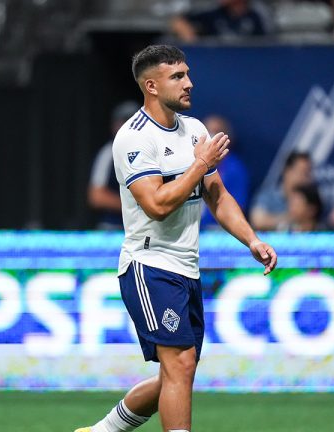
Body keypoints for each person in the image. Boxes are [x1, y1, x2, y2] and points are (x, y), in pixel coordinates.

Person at [75, 45, 277, 432]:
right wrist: (199, 163)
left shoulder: (194, 130)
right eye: (178, 76)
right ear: (151, 86)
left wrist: (251, 239)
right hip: (148, 266)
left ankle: (104, 431)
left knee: (177, 375)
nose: (189, 83)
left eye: (187, 73)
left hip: (187, 268)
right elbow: (156, 205)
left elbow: (217, 196)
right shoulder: (134, 139)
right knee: (180, 365)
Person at [88, 100, 141, 229]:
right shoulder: (109, 153)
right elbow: (97, 196)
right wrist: (137, 208)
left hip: (147, 228)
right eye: (124, 122)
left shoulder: (153, 151)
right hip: (115, 227)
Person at [200, 114, 249, 230]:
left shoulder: (235, 169)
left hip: (218, 231)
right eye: (207, 131)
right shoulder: (189, 162)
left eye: (216, 132)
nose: (211, 137)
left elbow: (237, 208)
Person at [249, 152, 312, 231]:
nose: (305, 178)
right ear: (287, 170)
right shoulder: (268, 196)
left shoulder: (312, 199)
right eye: (301, 172)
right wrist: (290, 218)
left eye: (308, 173)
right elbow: (257, 221)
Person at [170, 0, 273, 43]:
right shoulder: (214, 14)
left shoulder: (255, 16)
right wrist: (190, 38)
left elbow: (265, 44)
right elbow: (179, 21)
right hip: (218, 63)